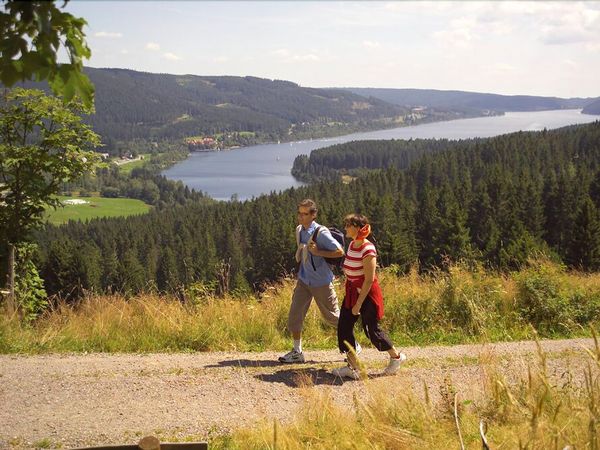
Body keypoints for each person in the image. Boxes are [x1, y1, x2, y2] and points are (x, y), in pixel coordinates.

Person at [332, 213, 406, 379]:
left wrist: (358, 304)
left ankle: (396, 358)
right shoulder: (352, 245)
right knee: (344, 327)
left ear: (357, 228)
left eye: (348, 225)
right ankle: (352, 367)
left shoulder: (368, 249)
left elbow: (369, 280)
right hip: (352, 292)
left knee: (372, 330)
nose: (345, 228)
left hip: (367, 296)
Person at [278, 199, 345, 363]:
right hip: (304, 280)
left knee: (332, 317)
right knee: (295, 315)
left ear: (313, 215)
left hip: (321, 282)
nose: (300, 217)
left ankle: (352, 345)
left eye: (305, 214)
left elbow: (340, 251)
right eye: (299, 213)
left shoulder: (321, 233)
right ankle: (297, 352)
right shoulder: (300, 230)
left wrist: (319, 251)